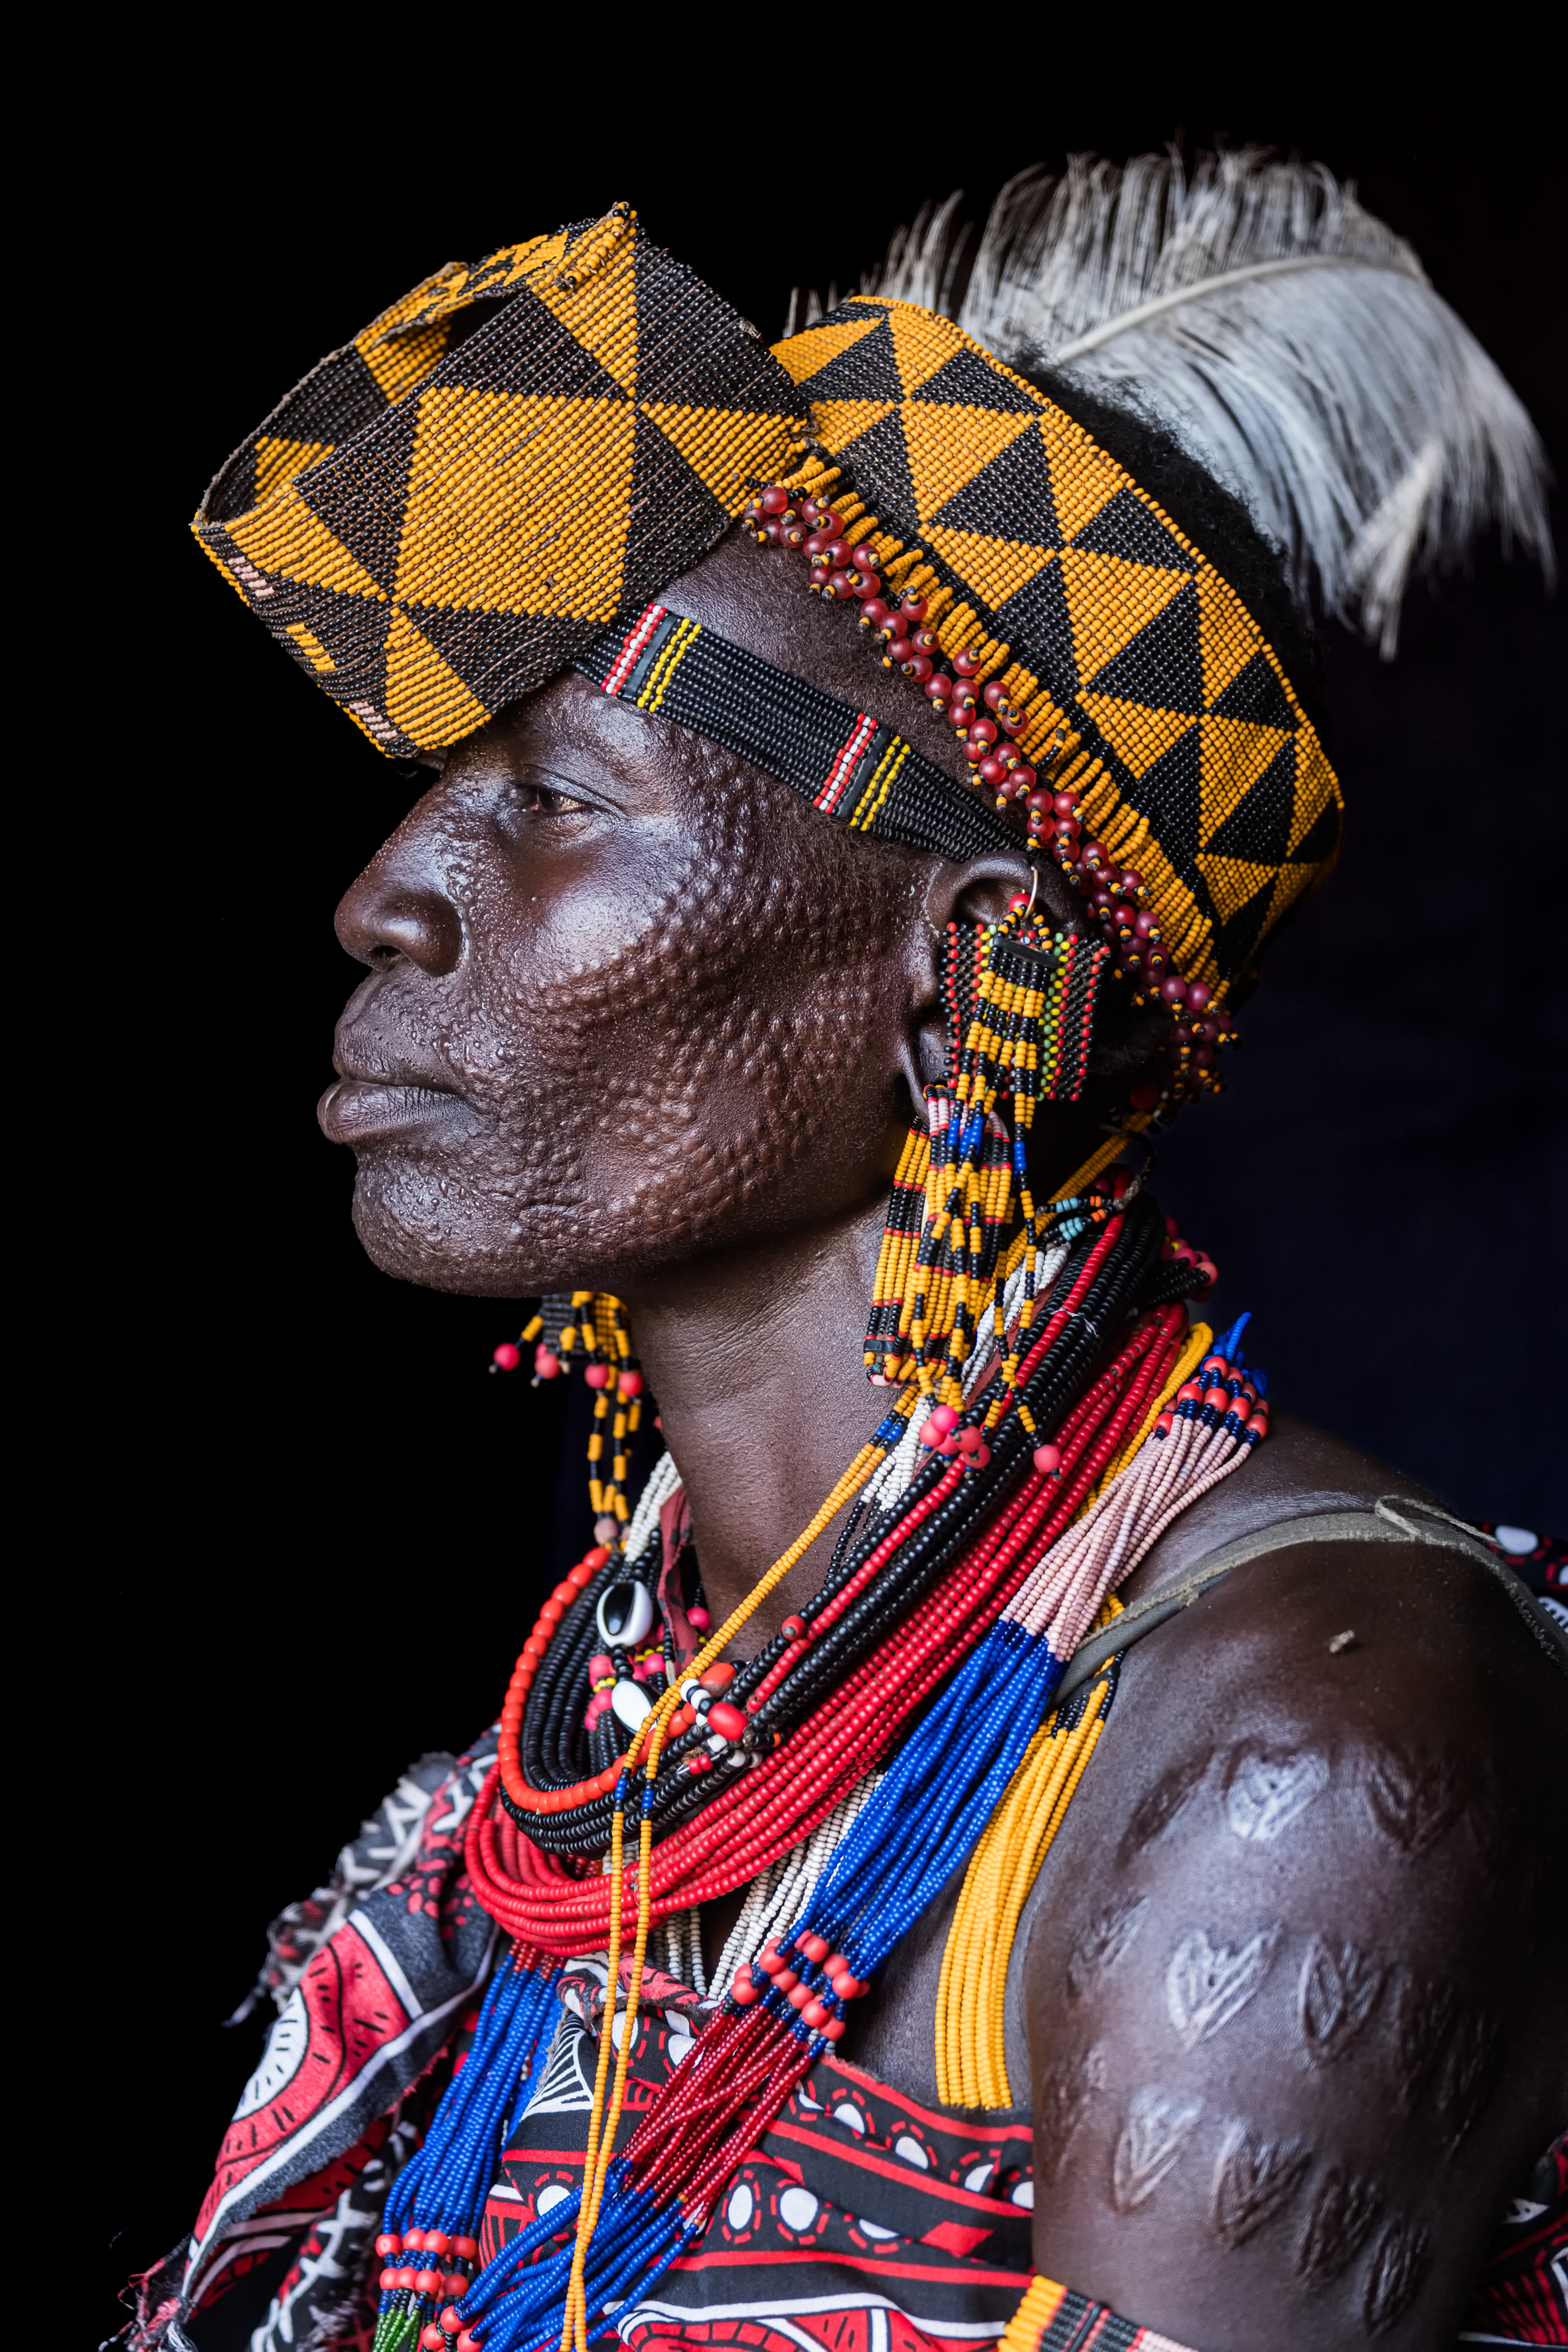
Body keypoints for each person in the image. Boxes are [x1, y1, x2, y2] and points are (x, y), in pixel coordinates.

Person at [140, 157, 1565, 2352]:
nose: (386, 897)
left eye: (558, 795)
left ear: (960, 971)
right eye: (444, 784)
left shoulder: (1308, 1748)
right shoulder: (604, 1763)